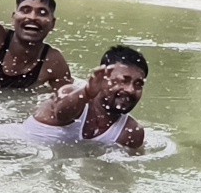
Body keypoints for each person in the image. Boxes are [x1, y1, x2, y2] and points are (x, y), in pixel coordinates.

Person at [19, 46, 149, 152]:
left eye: (138, 84)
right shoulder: (70, 92)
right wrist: (87, 92)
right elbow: (62, 114)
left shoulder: (131, 132)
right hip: (12, 146)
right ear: (103, 79)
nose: (130, 90)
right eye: (123, 81)